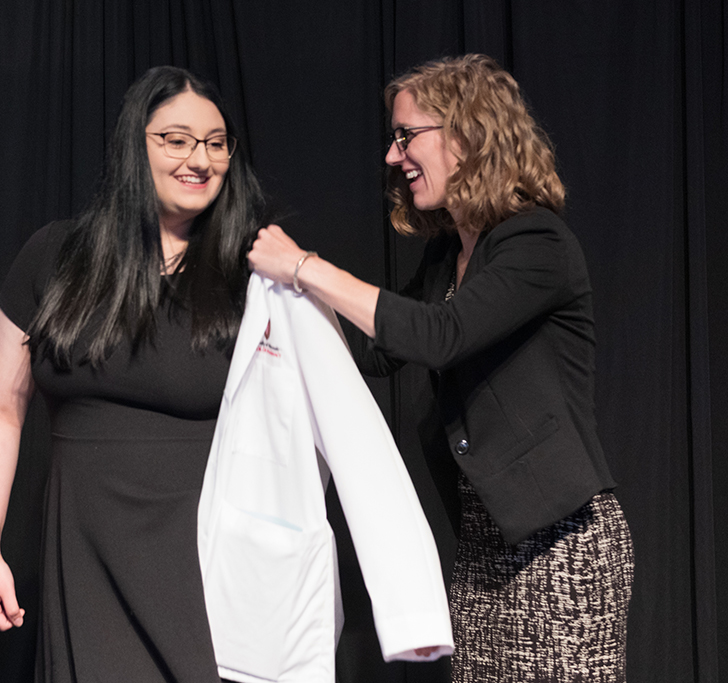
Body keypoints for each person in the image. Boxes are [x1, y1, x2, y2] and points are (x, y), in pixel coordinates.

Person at [247, 54, 634, 682]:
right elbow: (377, 350)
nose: (393, 156)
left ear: (469, 134)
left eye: (407, 136)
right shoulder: (446, 259)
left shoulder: (537, 243)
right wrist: (276, 310)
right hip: (486, 553)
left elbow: (440, 336)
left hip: (561, 546)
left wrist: (303, 267)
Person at [0, 66, 264, 682]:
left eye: (215, 142)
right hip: (87, 554)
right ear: (136, 145)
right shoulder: (56, 255)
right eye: (176, 139)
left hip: (209, 563)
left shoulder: (253, 272)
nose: (199, 158)